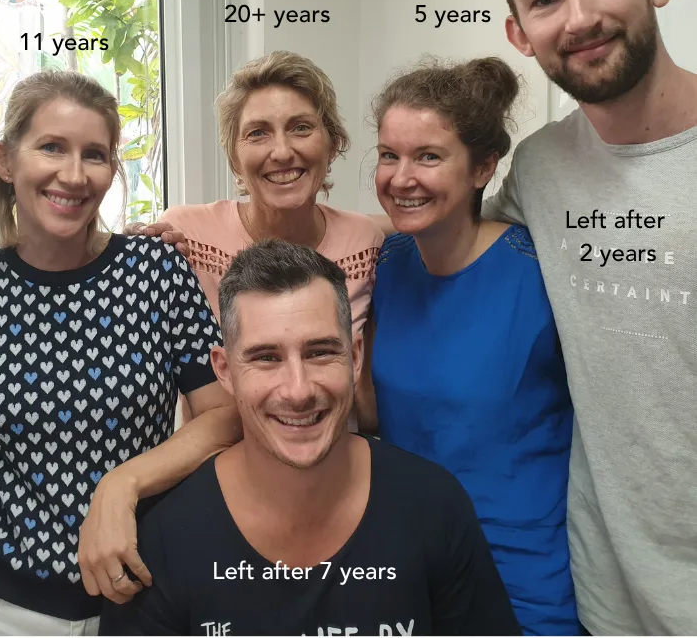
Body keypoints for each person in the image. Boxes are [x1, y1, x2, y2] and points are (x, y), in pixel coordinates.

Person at [474, 0, 697, 633]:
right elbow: (450, 232)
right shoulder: (541, 168)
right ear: (520, 33)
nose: (577, 19)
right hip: (605, 602)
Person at [0, 70, 242, 635]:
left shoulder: (155, 271)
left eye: (95, 155)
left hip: (143, 597)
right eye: (51, 147)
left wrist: (123, 482)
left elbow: (226, 416)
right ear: (5, 160)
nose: (74, 175)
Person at [100, 239, 520, 636]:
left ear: (355, 357)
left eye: (320, 352)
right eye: (266, 358)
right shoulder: (165, 538)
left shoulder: (433, 507)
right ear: (224, 371)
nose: (298, 391)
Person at [364, 57, 577, 635]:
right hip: (411, 565)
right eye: (389, 155)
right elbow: (375, 413)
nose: (401, 177)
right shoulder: (388, 264)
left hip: (521, 573)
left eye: (428, 157)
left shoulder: (539, 272)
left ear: (483, 167)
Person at [132, 51, 385, 422]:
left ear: (332, 145)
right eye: (257, 133)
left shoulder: (365, 242)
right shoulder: (186, 236)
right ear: (234, 159)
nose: (281, 152)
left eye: (301, 128)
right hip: (221, 453)